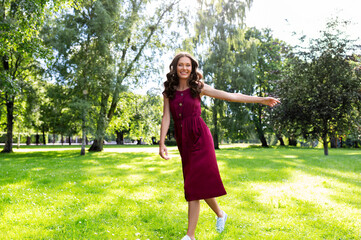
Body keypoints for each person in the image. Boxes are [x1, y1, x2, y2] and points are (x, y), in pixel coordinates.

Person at [159, 52, 280, 240]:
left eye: (188, 65)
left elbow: (230, 96)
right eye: (181, 65)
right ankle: (221, 214)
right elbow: (166, 116)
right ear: (174, 67)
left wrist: (261, 100)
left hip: (200, 136)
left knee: (192, 185)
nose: (184, 68)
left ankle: (189, 236)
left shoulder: (198, 87)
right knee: (197, 184)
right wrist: (162, 142)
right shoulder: (169, 90)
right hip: (184, 139)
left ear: (192, 68)